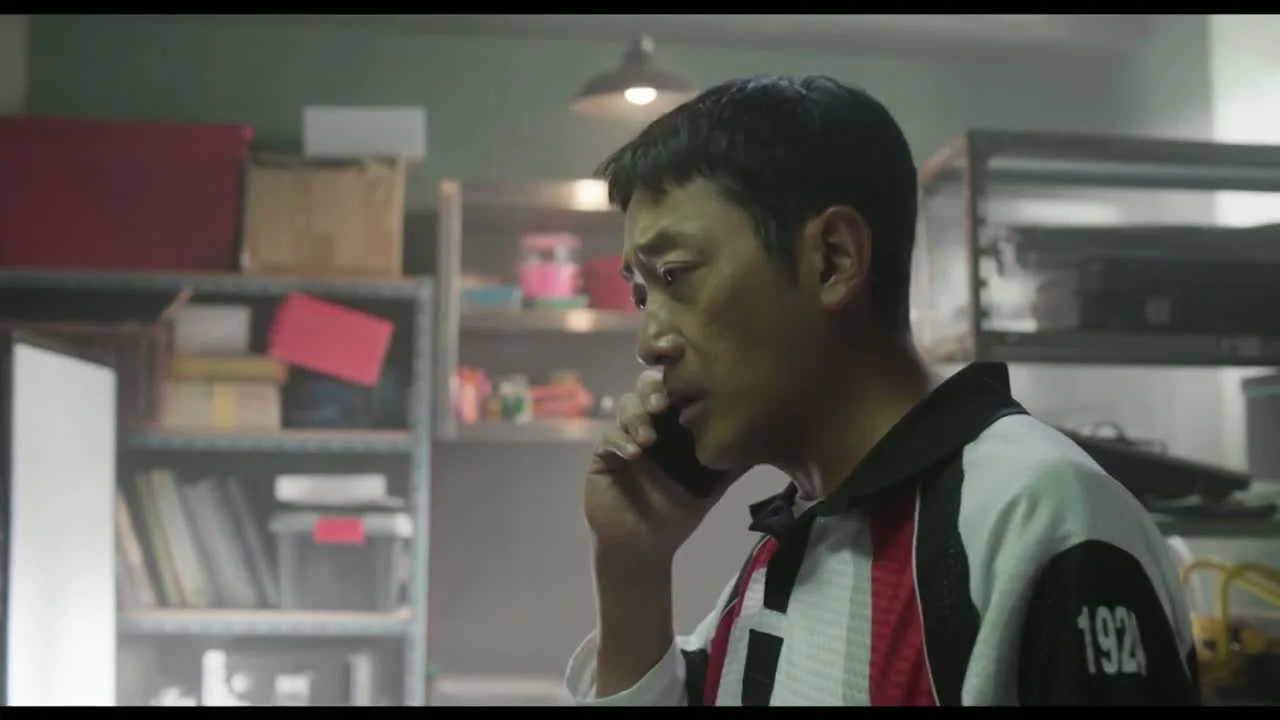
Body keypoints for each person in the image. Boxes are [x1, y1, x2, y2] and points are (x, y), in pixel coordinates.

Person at [562, 75, 1201, 707]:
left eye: (675, 276)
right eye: (642, 295)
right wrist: (632, 567)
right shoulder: (789, 557)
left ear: (833, 260)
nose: (650, 343)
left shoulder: (1035, 518)